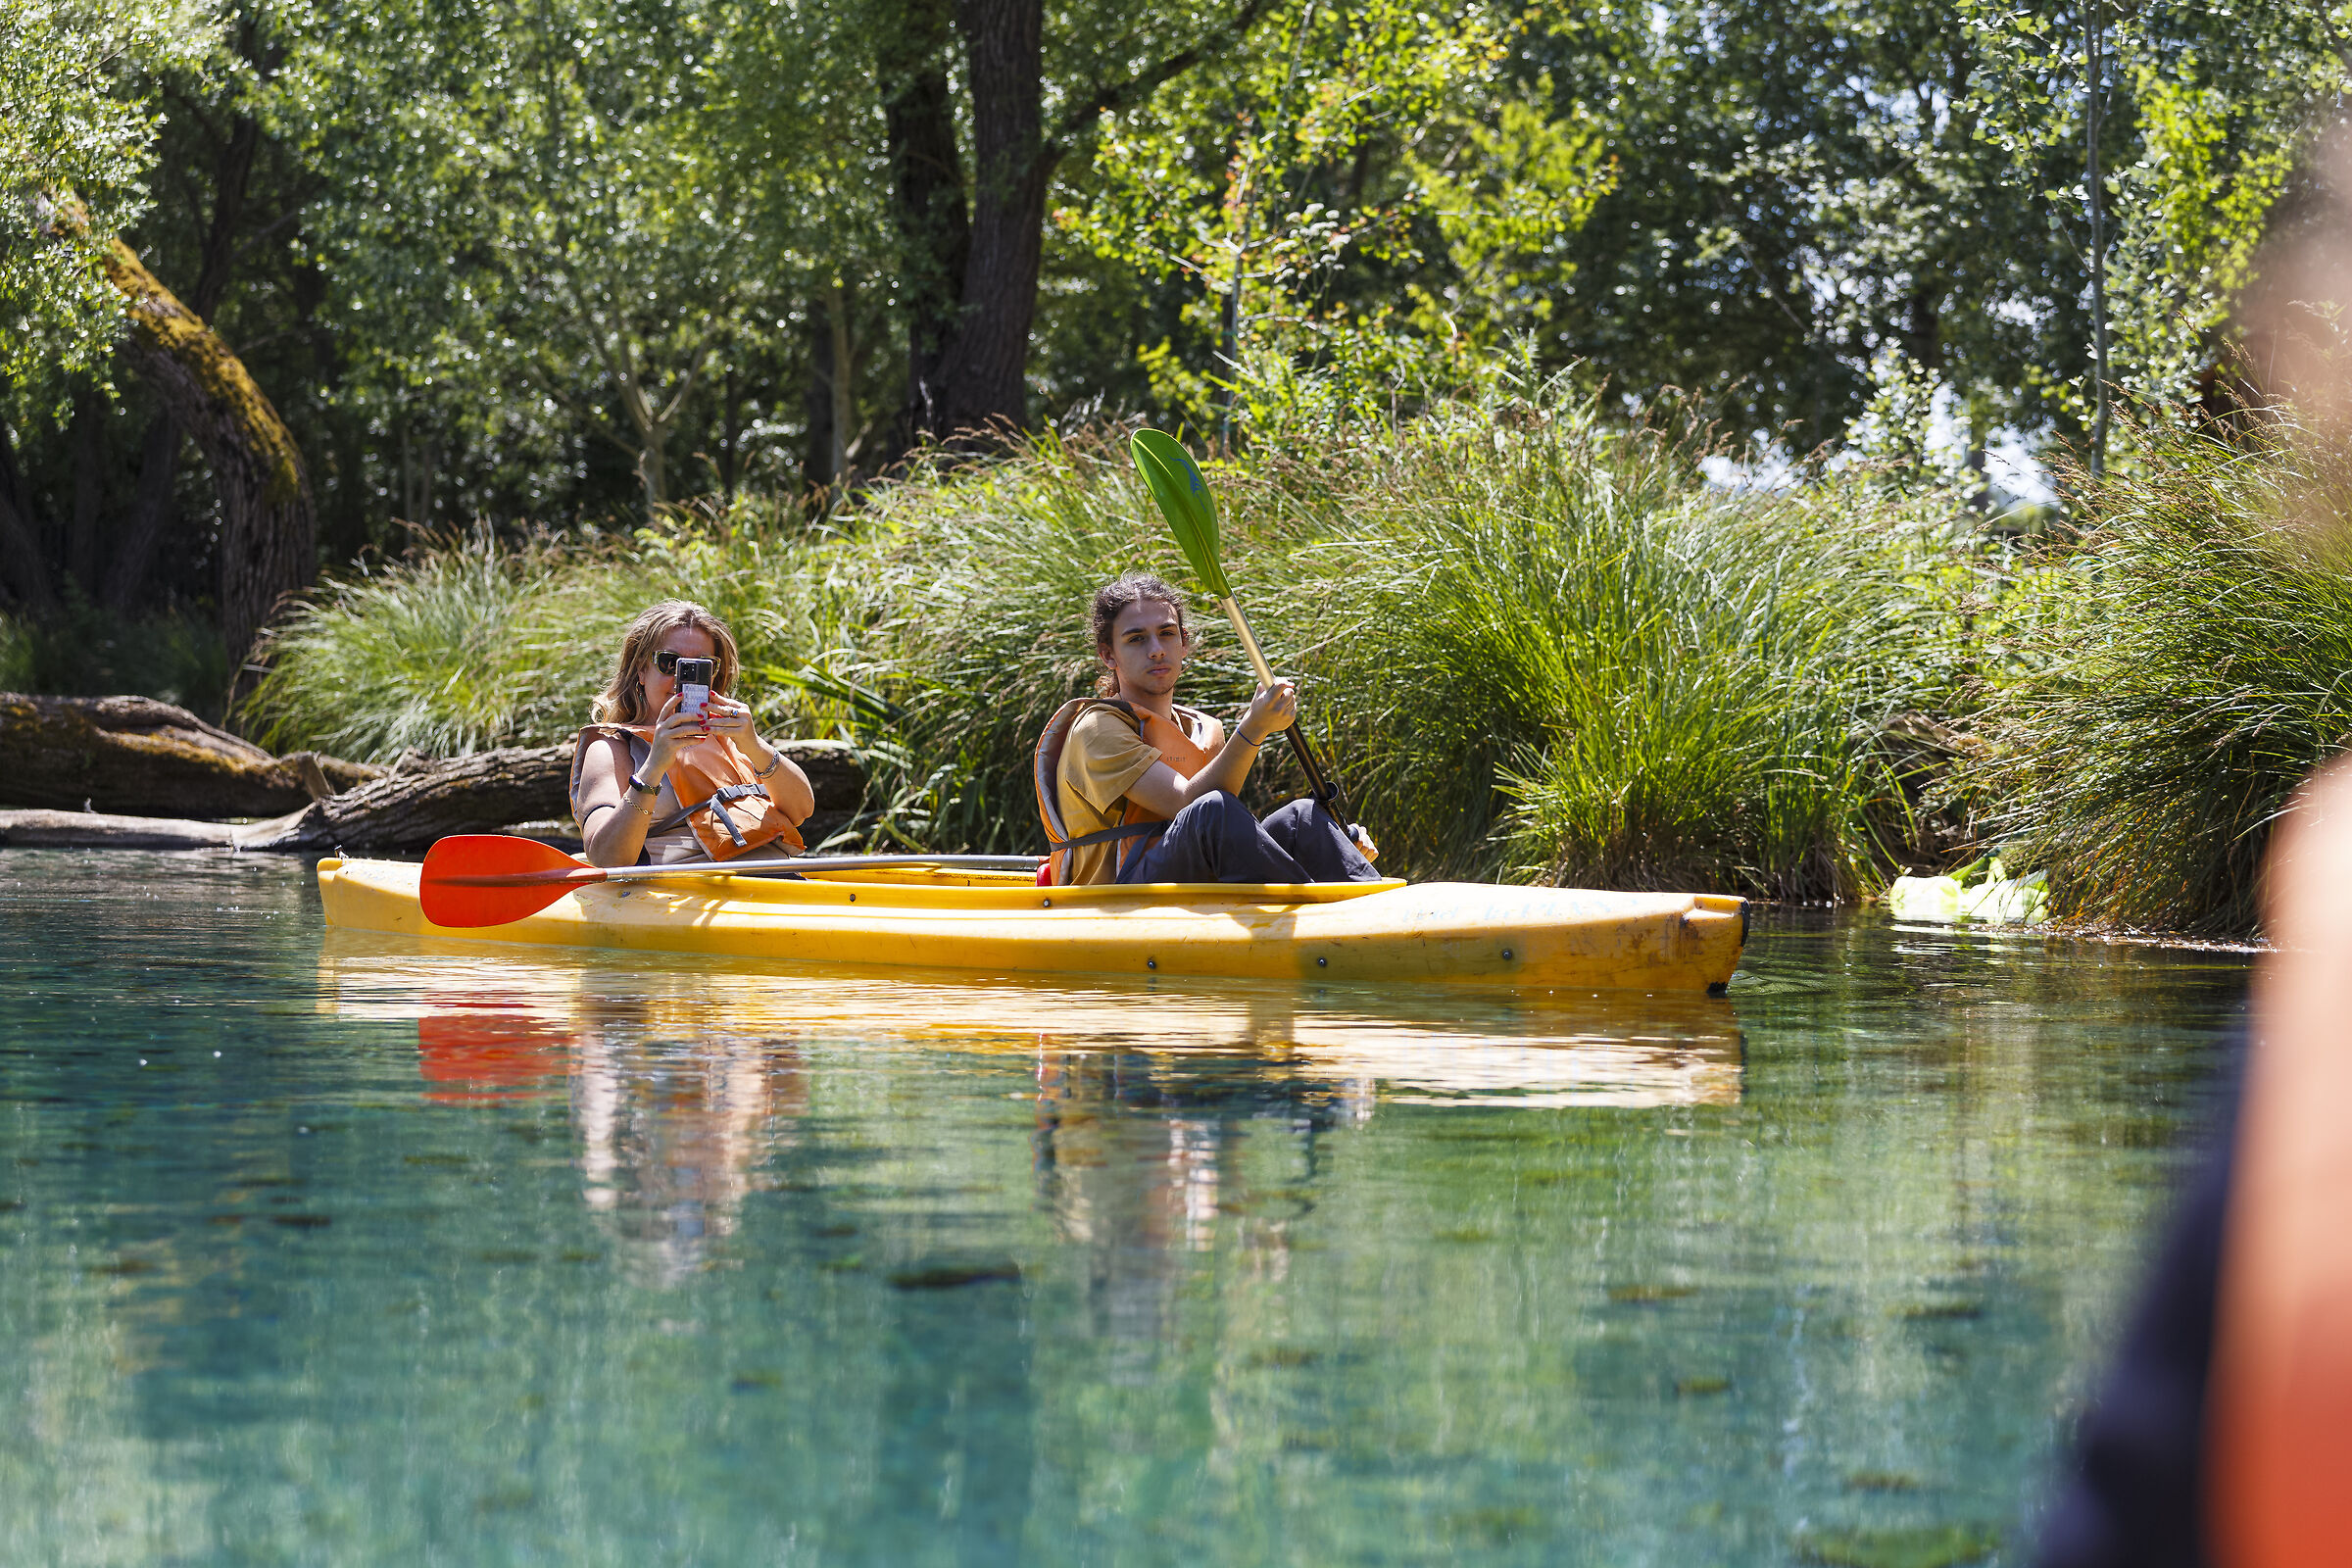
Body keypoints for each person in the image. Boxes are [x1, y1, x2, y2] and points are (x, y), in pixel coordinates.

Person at [1038, 572, 1380, 886]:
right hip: (1118, 900)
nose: (1156, 650)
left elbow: (1230, 835)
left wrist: (1332, 843)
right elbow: (1188, 804)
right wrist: (1254, 727)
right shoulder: (1097, 729)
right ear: (1108, 655)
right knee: (1211, 809)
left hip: (1188, 879)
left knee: (1302, 818)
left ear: (1183, 642)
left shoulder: (1204, 730)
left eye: (1167, 634)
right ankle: (1315, 914)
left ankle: (1371, 909)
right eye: (1137, 639)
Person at [569, 600, 815, 867]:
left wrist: (754, 746)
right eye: (669, 662)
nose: (680, 679)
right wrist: (653, 766)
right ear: (641, 670)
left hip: (777, 882)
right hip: (685, 892)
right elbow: (606, 857)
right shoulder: (610, 749)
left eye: (700, 666)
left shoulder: (732, 737)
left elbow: (801, 810)